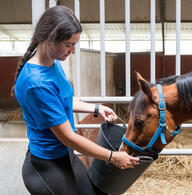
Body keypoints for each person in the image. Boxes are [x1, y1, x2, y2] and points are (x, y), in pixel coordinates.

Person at [12, 5, 139, 195]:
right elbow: (68, 137)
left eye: (74, 45)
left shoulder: (52, 63)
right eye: (68, 45)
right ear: (49, 39)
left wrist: (96, 108)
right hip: (46, 164)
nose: (72, 50)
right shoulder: (36, 83)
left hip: (65, 156)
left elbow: (62, 101)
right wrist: (113, 157)